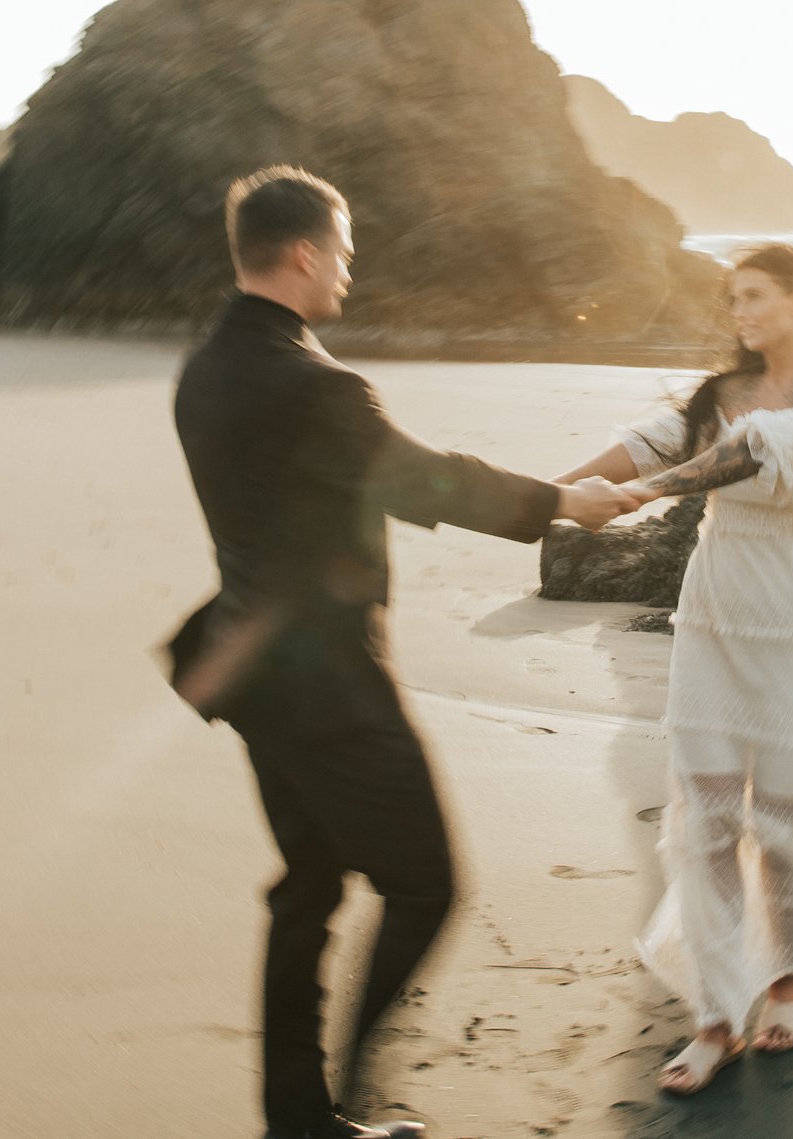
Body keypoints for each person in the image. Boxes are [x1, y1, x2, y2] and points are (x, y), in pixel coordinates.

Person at [165, 166, 634, 1139]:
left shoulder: (202, 369)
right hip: (330, 688)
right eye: (340, 249)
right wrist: (561, 502)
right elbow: (425, 480)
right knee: (424, 884)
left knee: (308, 886)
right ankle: (340, 1103)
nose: (348, 266)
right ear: (301, 253)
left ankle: (298, 1120)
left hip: (247, 670)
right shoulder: (321, 385)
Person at [552, 243, 793, 1096]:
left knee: (779, 823)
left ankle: (790, 973)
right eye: (733, 300)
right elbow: (647, 442)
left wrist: (653, 493)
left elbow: (755, 454)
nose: (742, 313)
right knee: (708, 824)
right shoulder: (717, 396)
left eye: (757, 296)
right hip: (714, 621)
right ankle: (718, 1014)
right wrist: (553, 492)